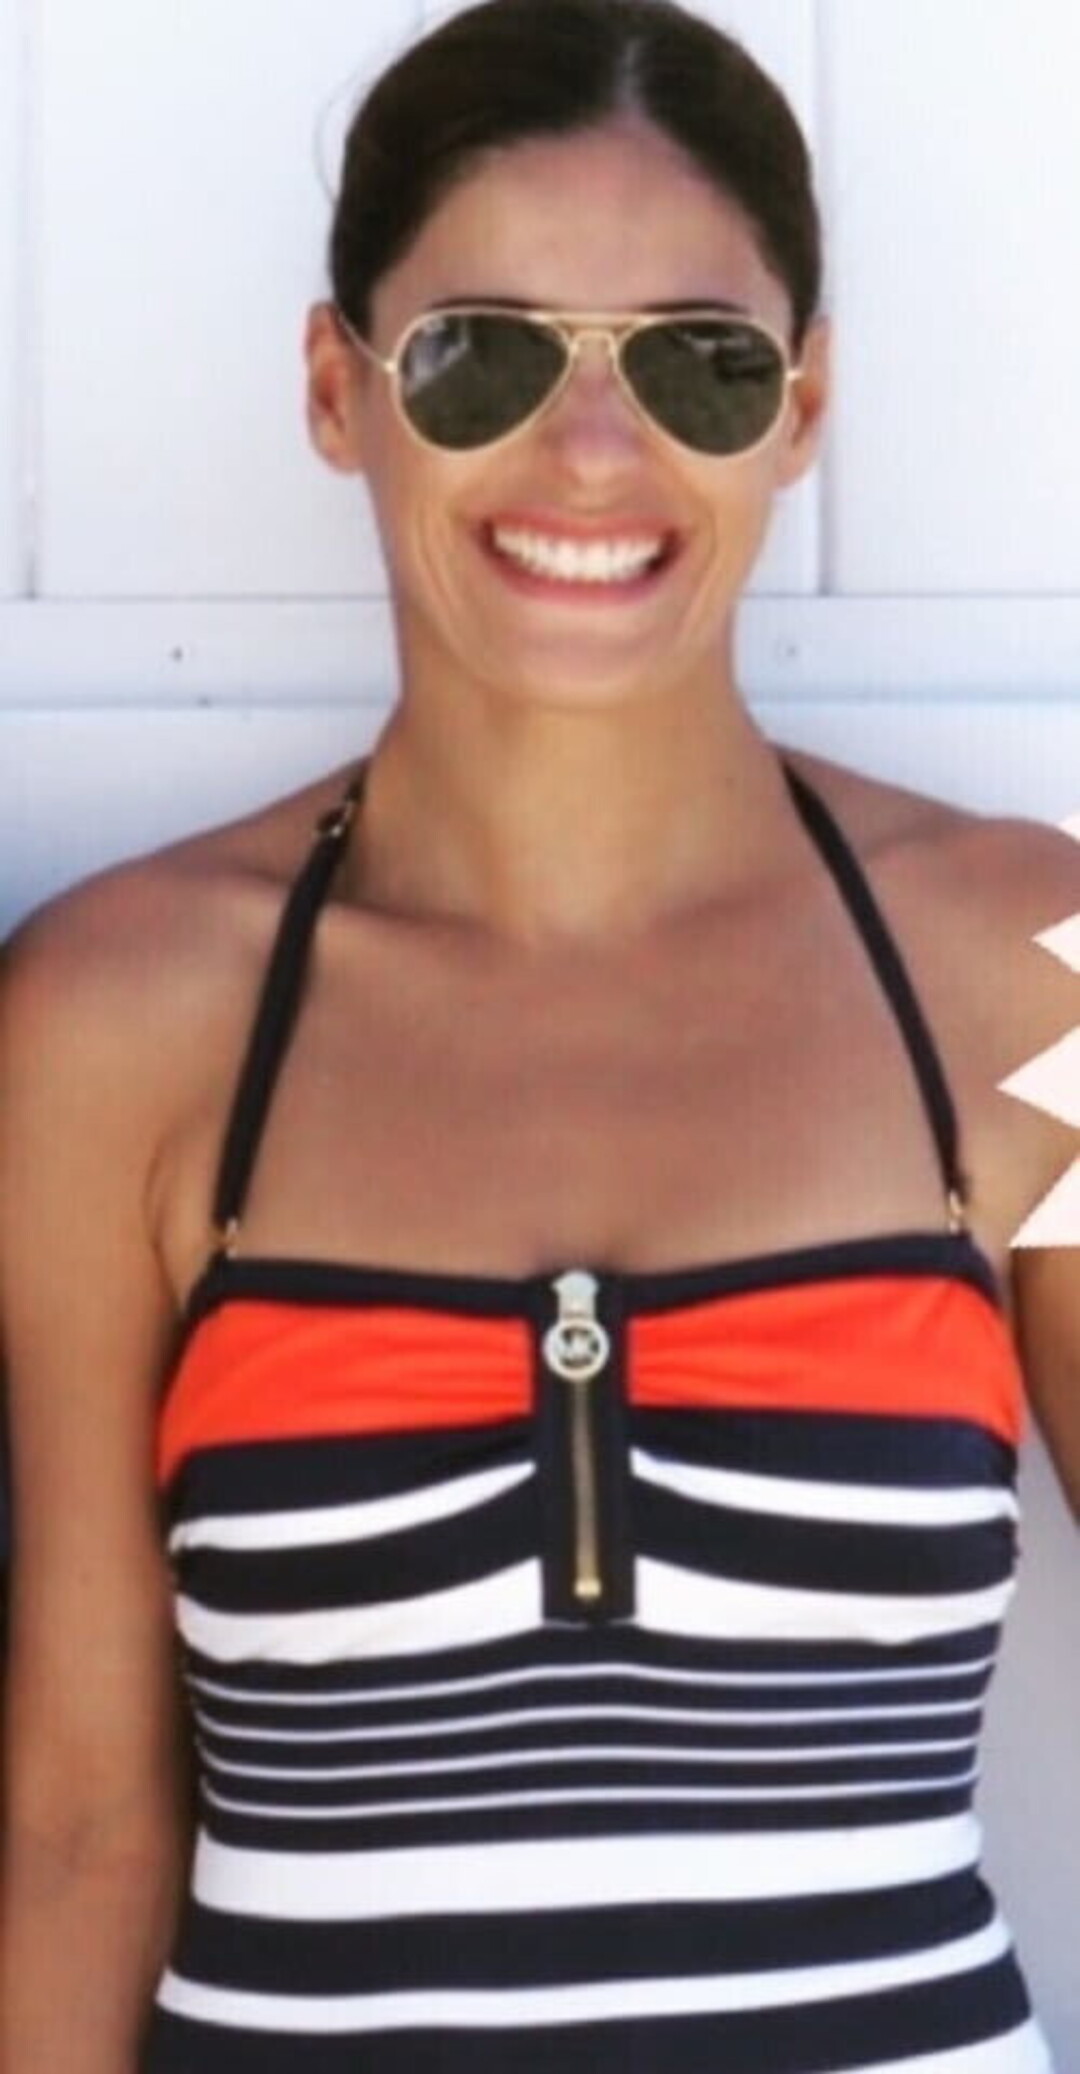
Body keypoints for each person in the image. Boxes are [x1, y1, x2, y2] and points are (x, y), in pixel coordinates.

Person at [1, 0, 1077, 2067]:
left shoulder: (1042, 967)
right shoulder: (110, 1018)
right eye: (482, 355)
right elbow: (78, 1820)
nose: (593, 451)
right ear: (340, 389)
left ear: (802, 406)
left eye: (698, 361)